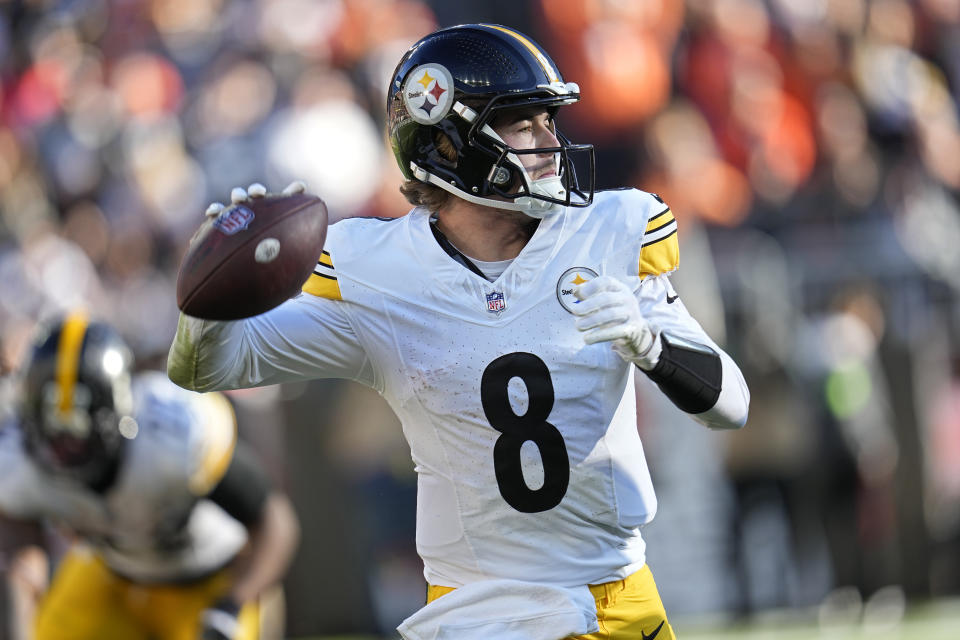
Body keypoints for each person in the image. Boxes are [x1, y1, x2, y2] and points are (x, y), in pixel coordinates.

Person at [168, 23, 749, 640]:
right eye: (525, 123)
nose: (550, 141)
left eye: (549, 120)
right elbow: (206, 367)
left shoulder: (613, 230)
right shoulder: (382, 270)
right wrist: (211, 288)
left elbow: (730, 406)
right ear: (452, 147)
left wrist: (652, 346)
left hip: (621, 597)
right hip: (481, 609)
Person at [0, 312, 300, 640]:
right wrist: (23, 576)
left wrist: (231, 606)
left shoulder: (174, 437)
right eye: (54, 435)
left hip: (208, 581)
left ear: (118, 412)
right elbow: (18, 527)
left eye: (79, 435)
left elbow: (276, 523)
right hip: (113, 573)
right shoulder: (19, 454)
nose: (65, 451)